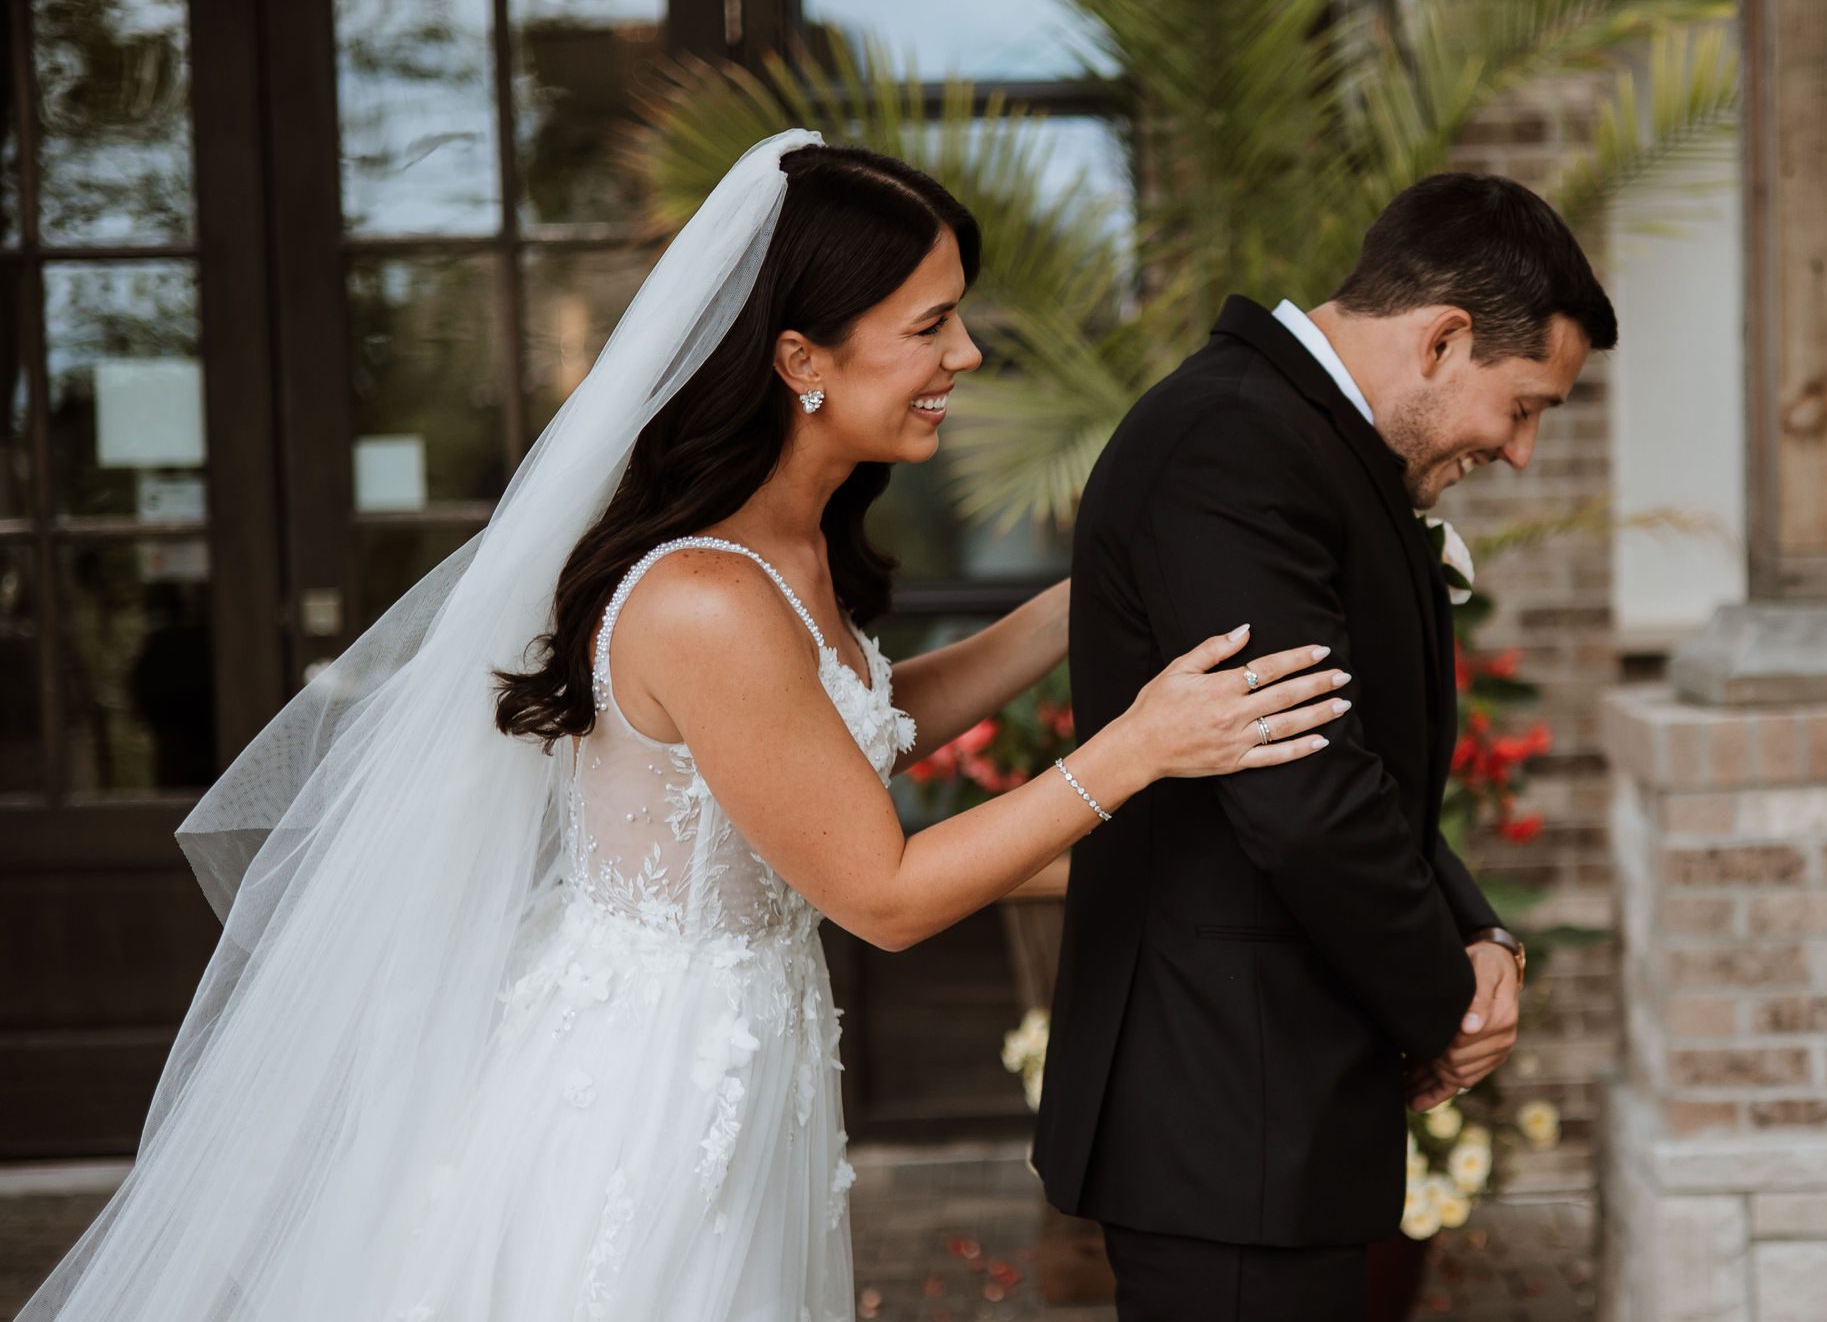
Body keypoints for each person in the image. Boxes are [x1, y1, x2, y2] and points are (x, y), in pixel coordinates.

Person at [19, 133, 1346, 1322]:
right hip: (644, 1096)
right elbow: (880, 893)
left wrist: (1087, 596)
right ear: (800, 359)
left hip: (743, 1050)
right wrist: (1140, 747)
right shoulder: (706, 599)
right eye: (932, 325)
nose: (967, 357)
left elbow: (858, 729)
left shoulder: (791, 542)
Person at [1035, 172, 1618, 1321]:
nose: (1520, 454)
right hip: (1222, 1103)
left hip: (1269, 1107)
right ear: (1443, 340)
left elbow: (1353, 760)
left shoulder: (1303, 443)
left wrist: (1474, 927)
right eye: (1524, 404)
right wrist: (1444, 1001)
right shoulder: (1230, 448)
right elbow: (1300, 798)